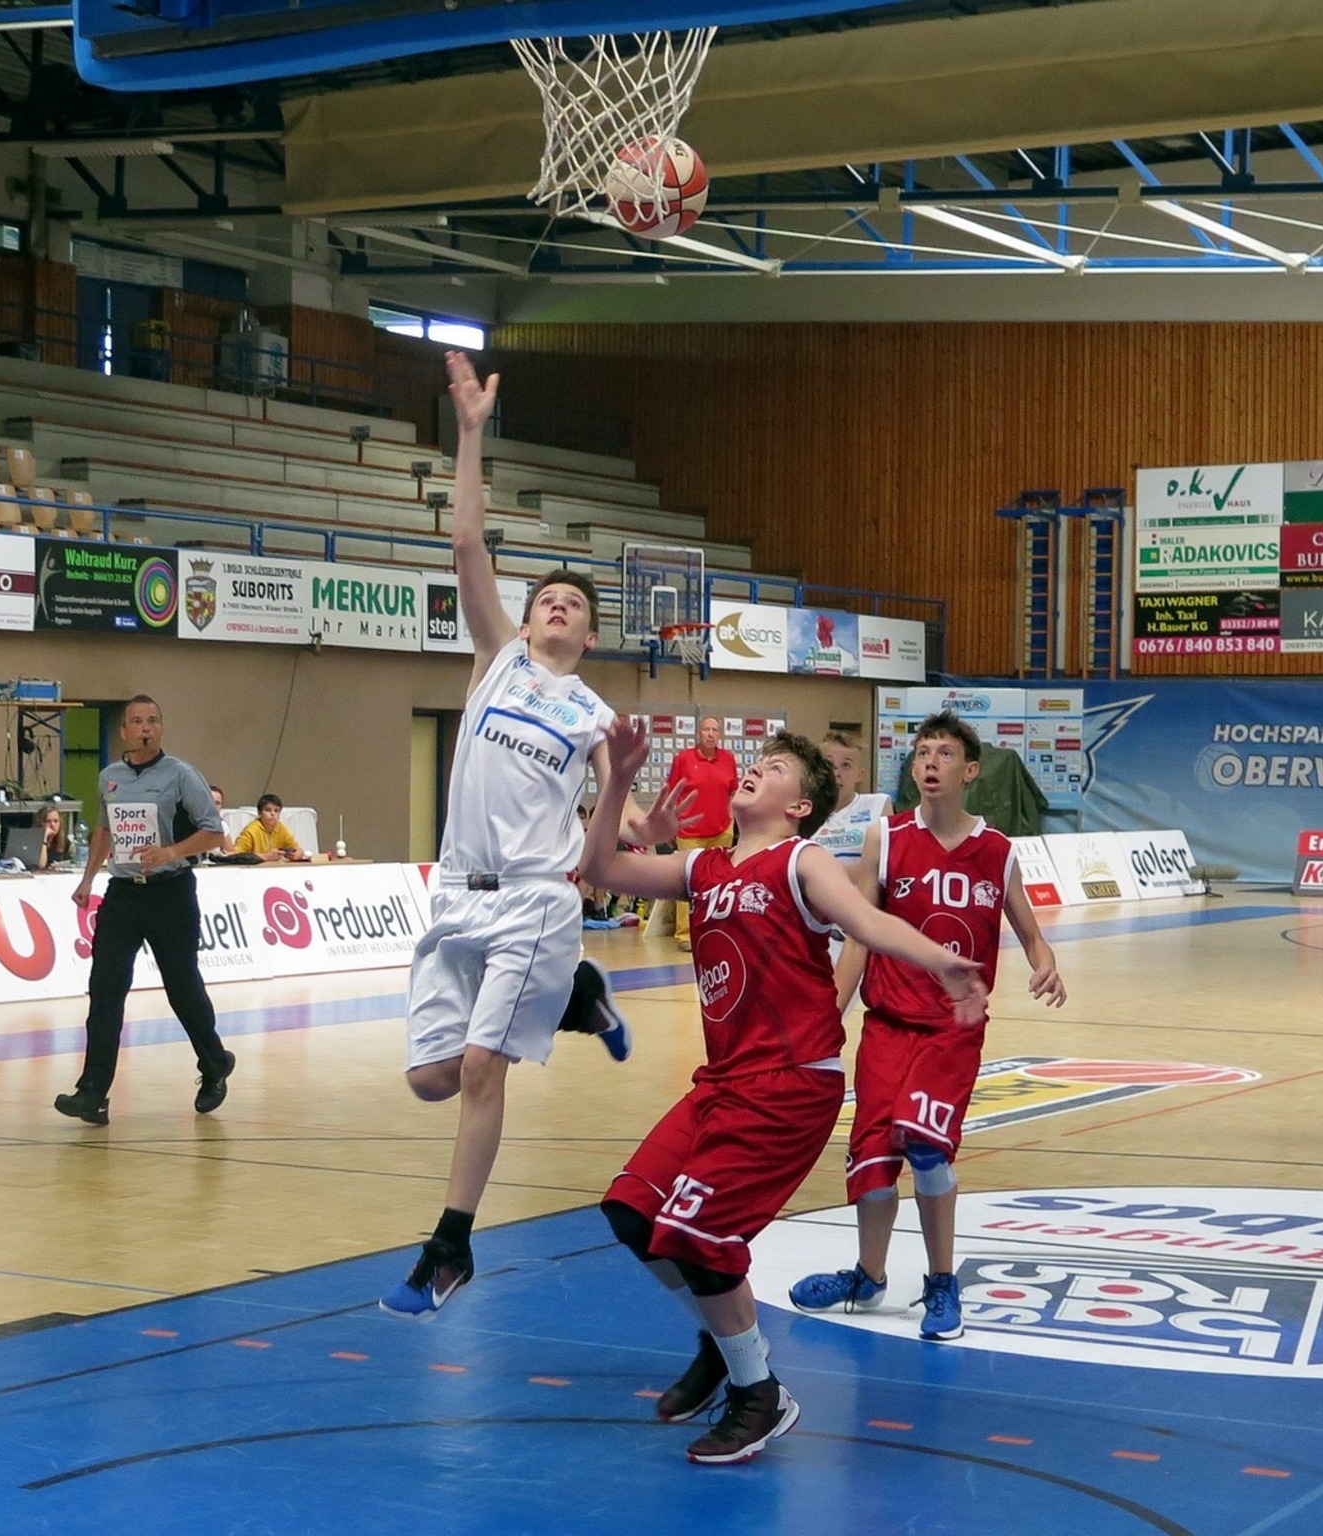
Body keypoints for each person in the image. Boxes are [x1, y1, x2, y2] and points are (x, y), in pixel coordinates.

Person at [579, 719, 988, 1466]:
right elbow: (600, 866)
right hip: (723, 1082)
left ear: (800, 806)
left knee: (702, 1238)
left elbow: (868, 921)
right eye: (757, 761)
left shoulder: (802, 860)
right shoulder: (704, 868)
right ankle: (722, 1343)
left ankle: (759, 1393)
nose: (755, 769)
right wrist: (618, 783)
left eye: (774, 768)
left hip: (790, 1084)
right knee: (631, 1213)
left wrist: (943, 962)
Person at [379, 352, 644, 1321]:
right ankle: (576, 998)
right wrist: (470, 432)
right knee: (429, 1080)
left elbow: (620, 831)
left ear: (590, 634)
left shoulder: (594, 715)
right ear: (525, 623)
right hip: (456, 892)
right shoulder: (496, 662)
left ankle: (449, 1246)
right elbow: (465, 546)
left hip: (536, 898)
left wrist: (628, 793)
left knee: (484, 1071)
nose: (556, 607)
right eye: (545, 601)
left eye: (574, 605)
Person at [791, 710, 1064, 1342]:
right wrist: (830, 1017)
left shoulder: (997, 852)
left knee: (928, 1147)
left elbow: (1032, 935)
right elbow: (860, 936)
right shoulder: (885, 840)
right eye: (921, 753)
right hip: (886, 1026)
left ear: (970, 771)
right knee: (872, 1158)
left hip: (952, 1031)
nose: (930, 762)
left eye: (943, 753)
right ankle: (868, 1275)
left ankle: (942, 1281)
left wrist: (1045, 964)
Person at [54, 695, 236, 1127]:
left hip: (170, 893)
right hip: (123, 894)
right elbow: (104, 829)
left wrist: (170, 851)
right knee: (105, 989)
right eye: (136, 721)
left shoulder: (181, 774)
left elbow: (214, 832)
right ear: (124, 732)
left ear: (161, 728)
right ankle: (93, 1092)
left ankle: (214, 1062)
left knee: (182, 987)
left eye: (152, 720)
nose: (145, 728)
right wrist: (88, 878)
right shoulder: (110, 777)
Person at [651, 714, 739, 950]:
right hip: (690, 831)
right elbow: (671, 794)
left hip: (721, 830)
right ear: (698, 733)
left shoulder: (728, 759)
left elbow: (733, 791)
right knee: (688, 882)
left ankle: (716, 928)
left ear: (720, 735)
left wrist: (731, 821)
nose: (710, 734)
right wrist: (670, 823)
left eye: (715, 730)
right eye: (706, 730)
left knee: (720, 881)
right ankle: (685, 935)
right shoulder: (684, 759)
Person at [813, 731, 891, 866]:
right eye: (829, 764)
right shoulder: (805, 812)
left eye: (846, 765)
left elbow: (883, 866)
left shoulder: (878, 805)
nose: (836, 773)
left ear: (859, 775)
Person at [234, 793, 310, 863]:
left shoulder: (281, 828)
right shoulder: (251, 830)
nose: (273, 814)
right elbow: (236, 855)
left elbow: (297, 848)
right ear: (259, 813)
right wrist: (266, 856)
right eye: (268, 810)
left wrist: (299, 853)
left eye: (276, 811)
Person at [29, 804, 73, 869]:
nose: (52, 825)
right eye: (47, 821)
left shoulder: (65, 842)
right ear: (40, 823)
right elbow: (41, 865)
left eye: (56, 821)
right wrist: (44, 837)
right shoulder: (31, 842)